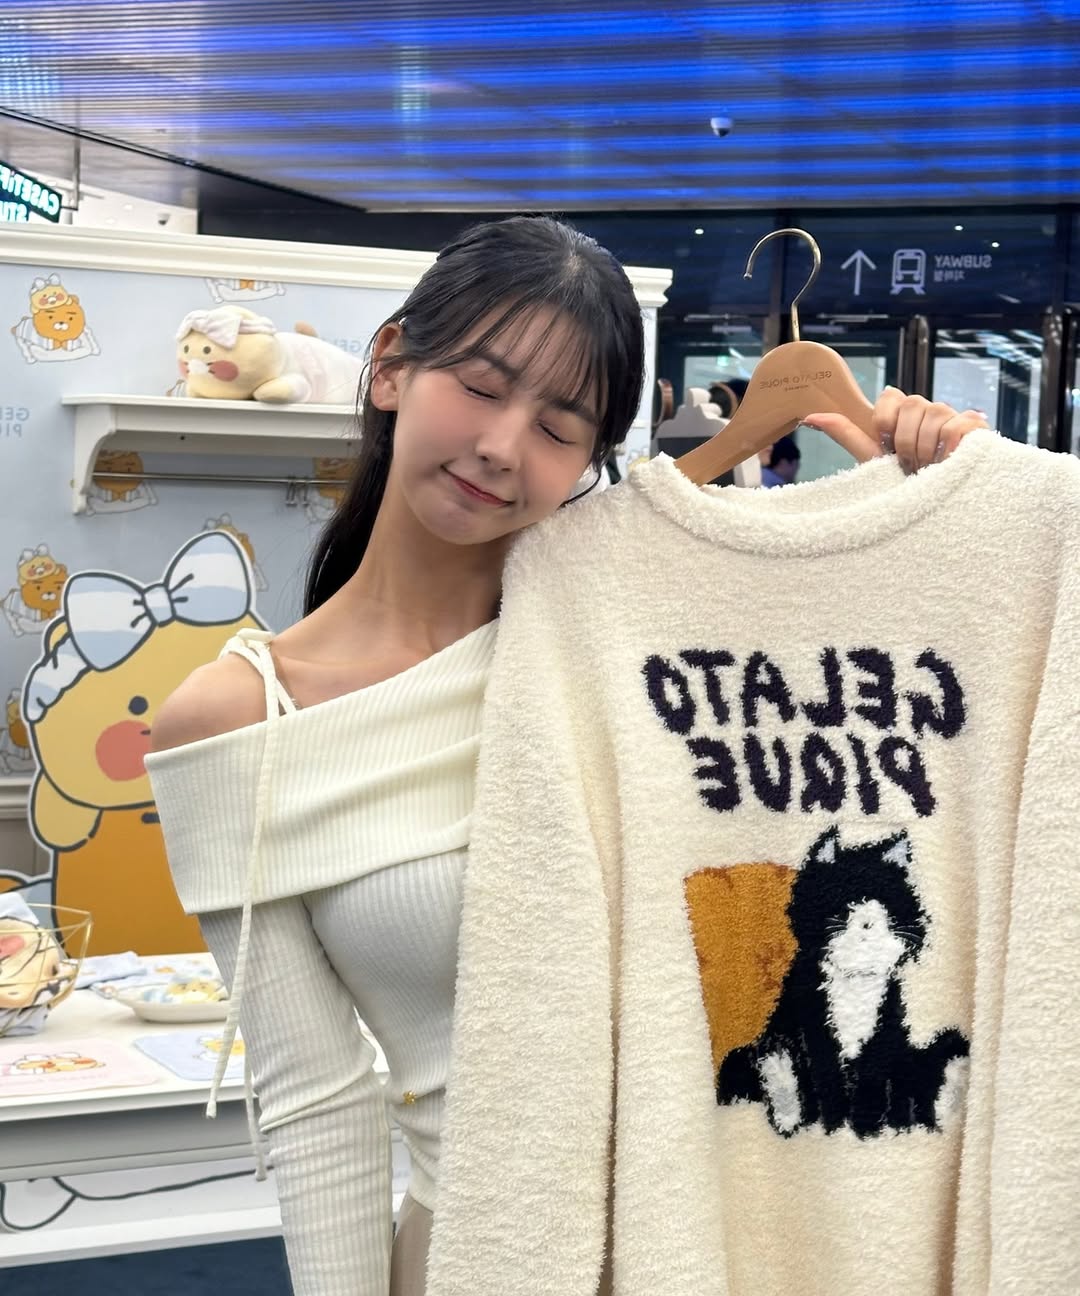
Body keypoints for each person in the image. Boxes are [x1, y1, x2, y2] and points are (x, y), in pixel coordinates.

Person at [146, 215, 988, 1296]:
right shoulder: (238, 721)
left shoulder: (661, 652)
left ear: (594, 458)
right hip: (481, 1256)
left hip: (731, 1241)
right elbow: (314, 1102)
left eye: (558, 425)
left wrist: (939, 508)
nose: (503, 446)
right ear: (393, 365)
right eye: (481, 387)